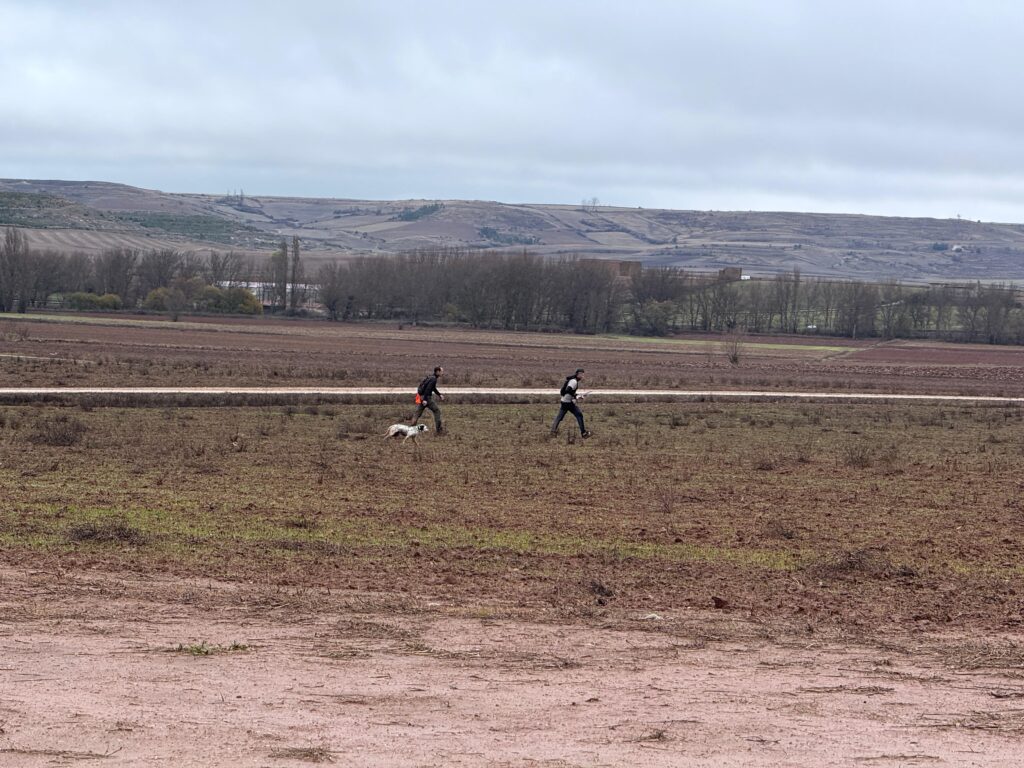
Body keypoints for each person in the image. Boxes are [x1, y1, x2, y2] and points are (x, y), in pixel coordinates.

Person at [550, 368, 591, 438]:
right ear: (578, 374)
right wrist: (576, 396)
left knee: (559, 417)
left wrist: (577, 396)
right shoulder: (574, 382)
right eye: (581, 375)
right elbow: (568, 390)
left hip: (565, 401)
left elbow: (568, 391)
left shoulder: (573, 380)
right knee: (579, 415)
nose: (582, 376)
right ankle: (584, 433)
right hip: (567, 402)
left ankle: (553, 432)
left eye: (583, 375)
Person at [411, 365, 446, 434]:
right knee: (437, 411)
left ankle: (411, 429)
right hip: (426, 398)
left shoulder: (430, 377)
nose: (442, 373)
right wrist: (425, 399)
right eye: (441, 371)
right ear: (437, 372)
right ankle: (438, 430)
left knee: (417, 413)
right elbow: (428, 389)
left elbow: (433, 388)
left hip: (421, 397)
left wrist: (439, 395)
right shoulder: (433, 379)